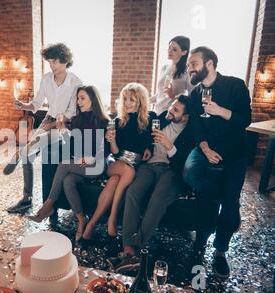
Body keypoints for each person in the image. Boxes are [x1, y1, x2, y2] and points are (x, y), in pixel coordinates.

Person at [183, 46, 252, 278]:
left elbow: (245, 119)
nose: (189, 68)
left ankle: (220, 252)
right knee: (191, 174)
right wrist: (204, 147)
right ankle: (201, 241)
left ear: (209, 63)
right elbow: (196, 125)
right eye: (188, 65)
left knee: (230, 204)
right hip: (206, 149)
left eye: (193, 63)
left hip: (234, 154)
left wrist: (221, 111)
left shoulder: (235, 86)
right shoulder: (195, 93)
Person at [108, 95, 195, 272]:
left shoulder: (191, 133)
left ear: (185, 117)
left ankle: (133, 251)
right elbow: (146, 135)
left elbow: (184, 165)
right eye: (172, 106)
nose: (171, 111)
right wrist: (147, 146)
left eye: (176, 110)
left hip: (172, 171)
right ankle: (128, 250)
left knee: (157, 199)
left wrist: (169, 146)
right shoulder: (161, 117)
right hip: (150, 166)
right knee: (132, 192)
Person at [3, 43, 82, 213]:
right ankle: (26, 198)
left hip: (64, 125)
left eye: (54, 62)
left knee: (30, 147)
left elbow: (72, 112)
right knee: (28, 156)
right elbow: (37, 103)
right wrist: (23, 105)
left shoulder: (75, 82)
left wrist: (52, 125)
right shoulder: (46, 78)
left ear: (65, 61)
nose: (51, 66)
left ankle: (19, 154)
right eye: (49, 62)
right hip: (48, 118)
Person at [29, 86, 110, 241]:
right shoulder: (77, 120)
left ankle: (48, 205)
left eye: (83, 98)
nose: (79, 102)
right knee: (68, 181)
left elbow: (107, 149)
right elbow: (72, 146)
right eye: (78, 98)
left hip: (97, 165)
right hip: (80, 166)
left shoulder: (103, 121)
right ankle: (81, 219)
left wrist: (93, 158)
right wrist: (64, 132)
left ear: (93, 100)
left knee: (64, 164)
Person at [82, 83, 154, 239]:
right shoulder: (118, 121)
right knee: (127, 171)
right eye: (125, 99)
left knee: (114, 182)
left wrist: (149, 148)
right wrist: (112, 140)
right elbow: (115, 152)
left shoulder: (149, 118)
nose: (127, 103)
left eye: (132, 100)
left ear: (140, 101)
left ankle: (92, 223)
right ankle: (112, 219)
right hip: (117, 164)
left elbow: (151, 140)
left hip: (135, 165)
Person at [150, 36, 193, 115]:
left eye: (174, 49)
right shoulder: (164, 68)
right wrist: (143, 101)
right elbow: (159, 94)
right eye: (169, 48)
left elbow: (191, 97)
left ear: (184, 52)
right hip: (157, 112)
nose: (170, 51)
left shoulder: (187, 72)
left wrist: (172, 96)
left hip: (171, 115)